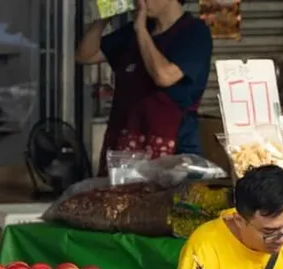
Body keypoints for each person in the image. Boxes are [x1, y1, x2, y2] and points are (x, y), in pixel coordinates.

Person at [76, 0, 213, 174]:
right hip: (124, 144)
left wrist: (141, 31)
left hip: (171, 148)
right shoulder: (131, 32)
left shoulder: (194, 33)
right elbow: (85, 55)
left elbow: (163, 76)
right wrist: (104, 16)